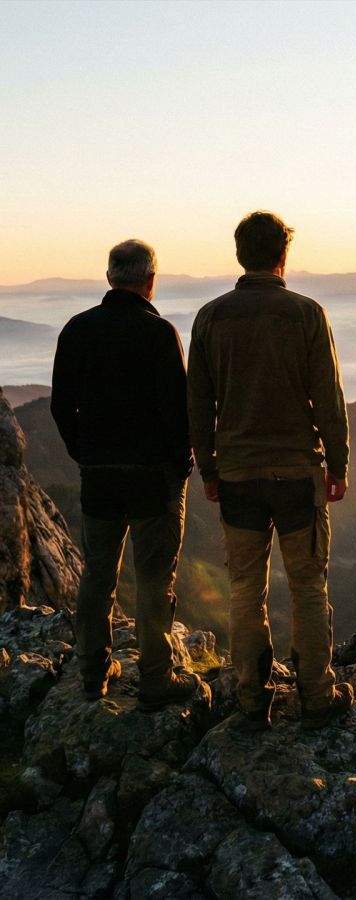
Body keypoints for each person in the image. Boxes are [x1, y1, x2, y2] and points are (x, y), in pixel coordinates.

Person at [187, 211, 353, 731]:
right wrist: (338, 463)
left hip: (237, 475)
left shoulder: (210, 318)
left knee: (243, 589)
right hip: (296, 474)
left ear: (240, 255)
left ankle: (252, 700)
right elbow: (328, 399)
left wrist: (209, 469)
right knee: (306, 586)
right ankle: (316, 696)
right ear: (284, 255)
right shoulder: (306, 314)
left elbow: (198, 403)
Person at [51, 239, 210, 711]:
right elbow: (178, 413)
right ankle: (156, 677)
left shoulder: (76, 330)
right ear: (150, 279)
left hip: (99, 473)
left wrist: (85, 453)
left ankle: (92, 673)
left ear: (108, 277)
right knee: (154, 578)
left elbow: (63, 406)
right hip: (151, 477)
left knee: (97, 574)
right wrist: (180, 466)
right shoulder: (158, 332)